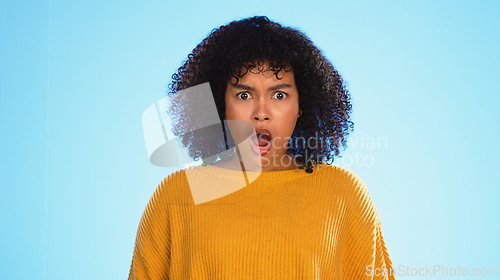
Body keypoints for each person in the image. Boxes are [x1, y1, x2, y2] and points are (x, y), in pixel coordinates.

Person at [128, 16, 395, 279]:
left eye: (279, 95)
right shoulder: (177, 194)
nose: (261, 113)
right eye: (244, 95)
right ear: (221, 104)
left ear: (301, 105)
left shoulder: (344, 193)